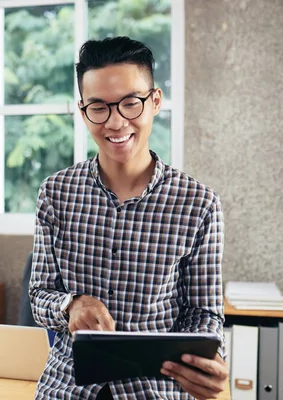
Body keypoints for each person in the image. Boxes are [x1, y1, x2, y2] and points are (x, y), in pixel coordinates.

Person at [29, 36, 228, 400]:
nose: (116, 123)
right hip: (66, 388)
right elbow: (40, 295)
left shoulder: (200, 204)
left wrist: (210, 357)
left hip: (154, 389)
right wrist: (70, 304)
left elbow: (205, 313)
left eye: (130, 103)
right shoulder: (55, 193)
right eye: (99, 107)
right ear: (82, 109)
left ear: (154, 102)